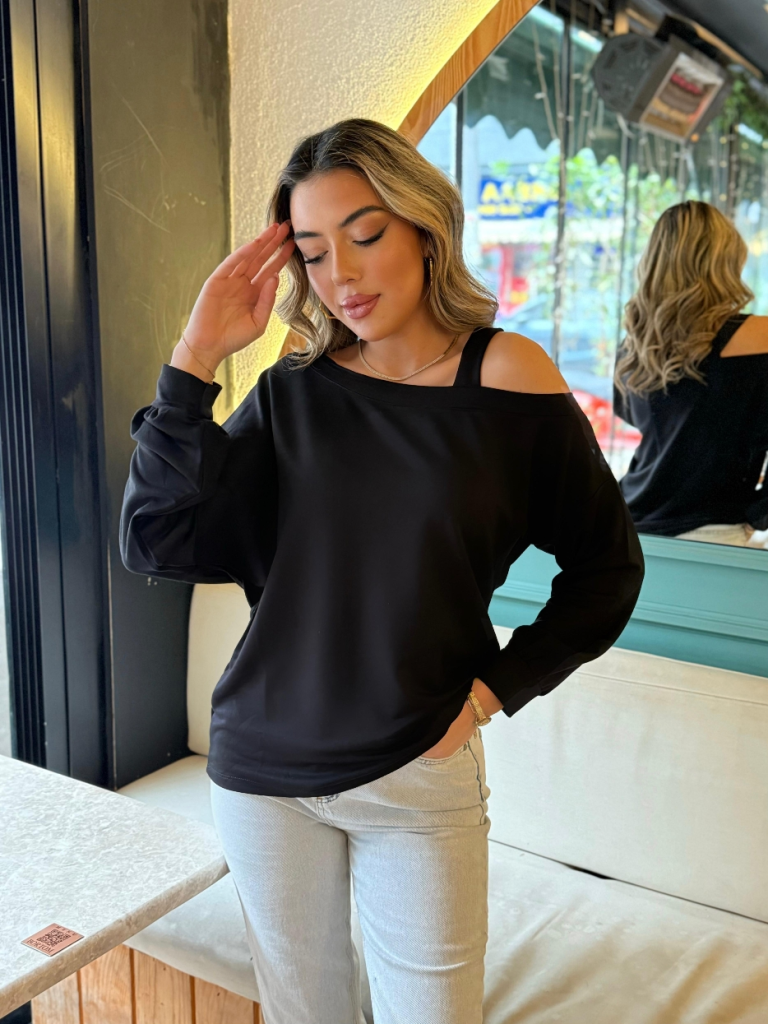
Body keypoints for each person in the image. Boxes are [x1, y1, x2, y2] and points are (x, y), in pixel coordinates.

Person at [120, 117, 644, 1024]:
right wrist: (195, 359)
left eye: (365, 235)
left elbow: (608, 568)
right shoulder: (292, 393)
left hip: (416, 769)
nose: (343, 277)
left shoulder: (506, 375)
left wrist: (492, 693)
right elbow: (157, 542)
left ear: (424, 228)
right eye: (315, 253)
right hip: (263, 771)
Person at [613, 200, 768, 547]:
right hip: (713, 530)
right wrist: (757, 512)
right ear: (727, 260)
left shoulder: (637, 342)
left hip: (627, 525)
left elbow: (642, 421)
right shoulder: (761, 337)